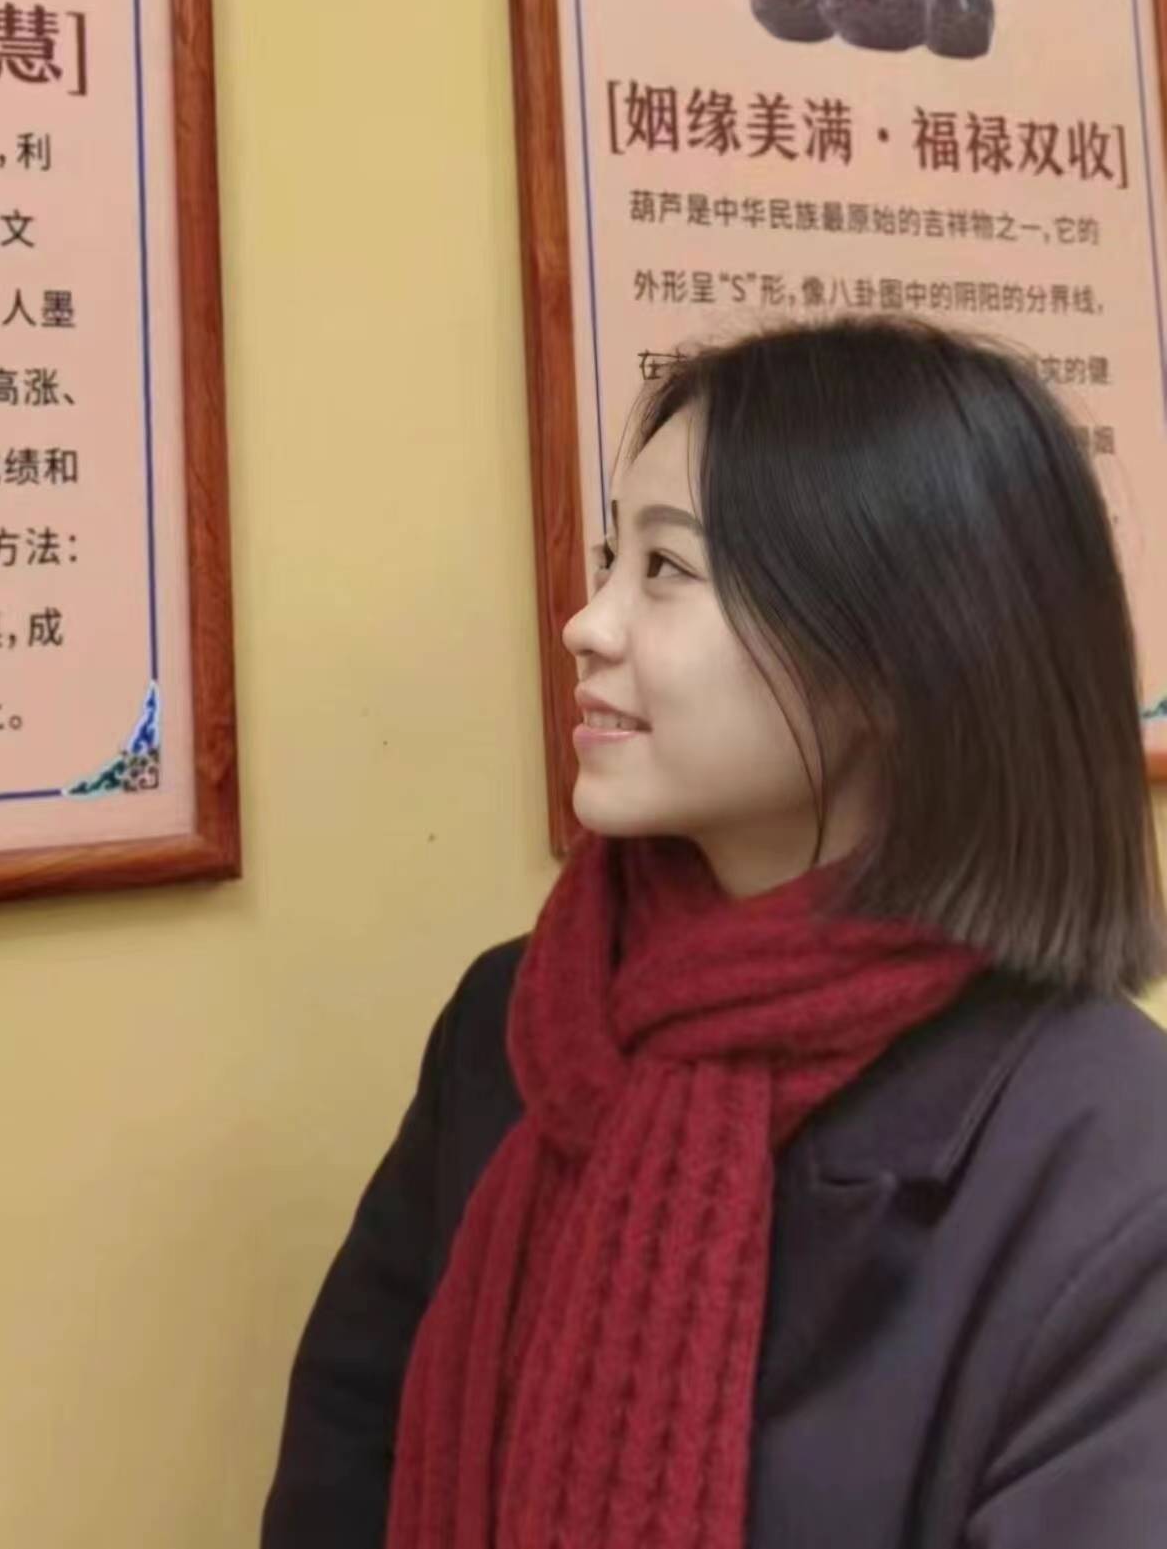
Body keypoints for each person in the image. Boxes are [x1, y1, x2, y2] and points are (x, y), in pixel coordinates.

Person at [261, 317, 1167, 1548]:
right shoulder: (512, 1025)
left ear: (895, 647)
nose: (586, 624)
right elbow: (339, 1475)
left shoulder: (1104, 1147)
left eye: (666, 570)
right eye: (610, 558)